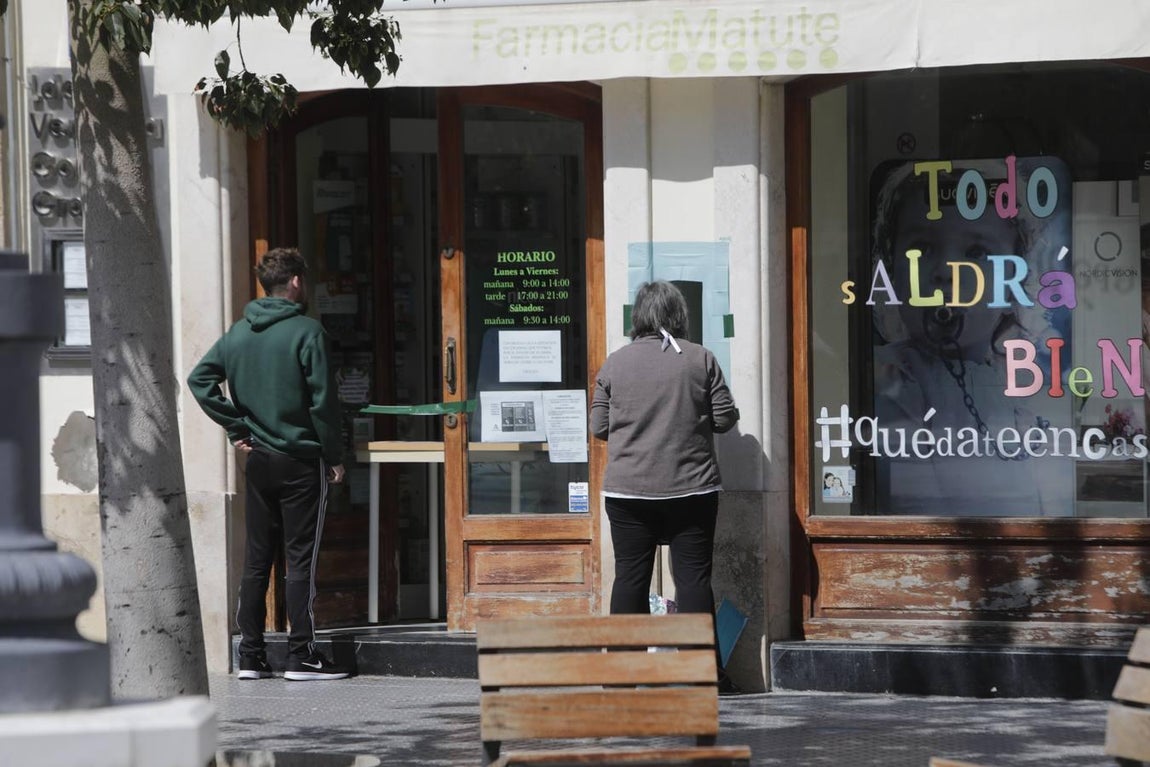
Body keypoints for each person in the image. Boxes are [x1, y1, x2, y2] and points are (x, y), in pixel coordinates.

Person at [870, 159, 1075, 516]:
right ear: (891, 268)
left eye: (976, 253)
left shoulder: (1012, 383)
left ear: (1013, 281)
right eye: (922, 248)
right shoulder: (894, 375)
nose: (946, 273)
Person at [188, 246, 350, 681]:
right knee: (301, 560)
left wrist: (236, 426)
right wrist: (334, 455)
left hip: (258, 460)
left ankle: (251, 655)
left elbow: (199, 379)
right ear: (296, 281)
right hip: (300, 460)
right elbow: (322, 401)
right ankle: (303, 654)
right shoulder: (307, 332)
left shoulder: (238, 333)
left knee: (257, 559)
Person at [590, 280, 740, 691]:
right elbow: (725, 419)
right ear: (679, 316)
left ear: (637, 317)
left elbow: (599, 427)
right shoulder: (700, 359)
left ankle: (621, 677)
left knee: (630, 580)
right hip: (691, 490)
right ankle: (701, 676)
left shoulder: (614, 364)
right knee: (692, 580)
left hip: (628, 494)